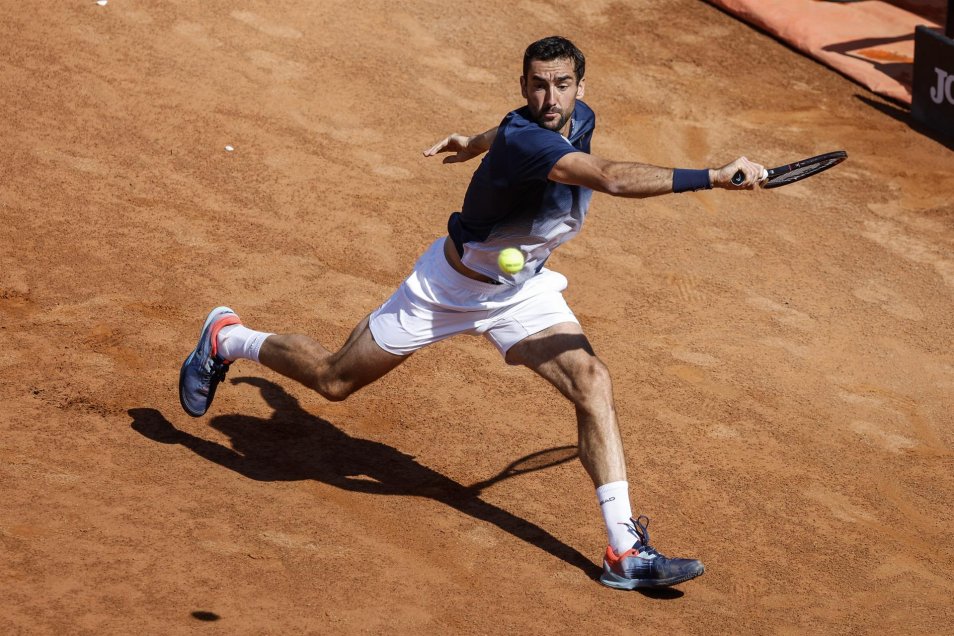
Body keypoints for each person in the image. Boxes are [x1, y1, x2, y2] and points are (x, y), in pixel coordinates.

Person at [178, 35, 765, 590]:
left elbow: (509, 125)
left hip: (521, 289)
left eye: (562, 84)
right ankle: (227, 338)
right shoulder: (528, 138)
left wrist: (473, 142)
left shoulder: (559, 121)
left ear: (581, 88)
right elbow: (608, 178)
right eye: (538, 85)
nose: (550, 98)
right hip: (448, 290)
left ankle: (623, 552)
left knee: (592, 380)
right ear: (524, 83)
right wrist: (712, 176)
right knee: (334, 380)